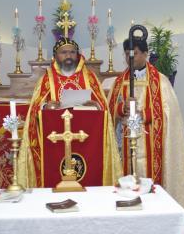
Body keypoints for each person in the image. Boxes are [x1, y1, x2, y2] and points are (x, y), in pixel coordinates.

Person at [108, 37, 184, 234]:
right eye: (126, 54)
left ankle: (157, 226)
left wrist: (145, 113)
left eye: (134, 53)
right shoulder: (119, 81)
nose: (129, 58)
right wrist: (119, 108)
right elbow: (109, 112)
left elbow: (171, 112)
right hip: (125, 143)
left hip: (152, 143)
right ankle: (127, 227)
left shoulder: (160, 81)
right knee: (127, 184)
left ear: (145, 53)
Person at [18, 37, 121, 188]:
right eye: (63, 52)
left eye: (72, 52)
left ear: (77, 54)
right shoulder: (47, 79)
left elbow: (103, 108)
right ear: (55, 56)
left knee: (86, 171)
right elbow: (35, 109)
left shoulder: (89, 77)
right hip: (54, 138)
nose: (68, 56)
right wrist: (46, 106)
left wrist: (95, 105)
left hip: (86, 138)